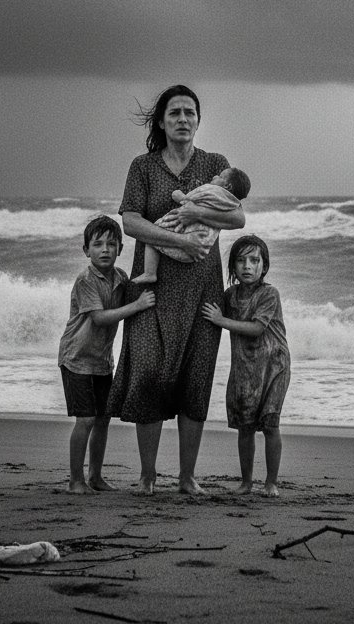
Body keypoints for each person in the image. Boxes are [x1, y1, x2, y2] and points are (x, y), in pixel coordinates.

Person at [107, 84, 245, 495]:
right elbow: (130, 221)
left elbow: (237, 218)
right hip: (152, 286)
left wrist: (195, 212)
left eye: (189, 113)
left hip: (203, 286)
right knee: (147, 372)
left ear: (198, 120)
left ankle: (186, 478)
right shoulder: (143, 167)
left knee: (195, 377)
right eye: (175, 113)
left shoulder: (216, 164)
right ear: (162, 122)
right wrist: (177, 241)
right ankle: (148, 476)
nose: (183, 119)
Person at [57, 215, 156, 494]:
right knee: (86, 419)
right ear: (86, 250)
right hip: (76, 358)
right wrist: (137, 305)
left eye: (111, 244)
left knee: (102, 420)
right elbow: (100, 318)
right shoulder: (85, 280)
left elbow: (135, 299)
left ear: (121, 249)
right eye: (97, 244)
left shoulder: (121, 278)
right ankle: (75, 480)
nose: (105, 249)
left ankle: (96, 477)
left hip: (102, 362)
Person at [201, 234, 290, 497]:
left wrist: (221, 321)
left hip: (274, 366)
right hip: (244, 369)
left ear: (264, 266)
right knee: (245, 426)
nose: (247, 266)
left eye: (254, 260)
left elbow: (256, 328)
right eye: (241, 261)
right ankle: (246, 482)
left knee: (270, 424)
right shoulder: (230, 295)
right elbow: (210, 308)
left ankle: (271, 482)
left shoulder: (269, 294)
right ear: (233, 267)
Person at [130, 166, 251, 284]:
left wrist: (185, 201)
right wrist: (184, 241)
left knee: (152, 239)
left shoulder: (213, 187)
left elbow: (239, 220)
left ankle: (150, 272)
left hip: (198, 269)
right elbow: (130, 223)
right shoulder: (231, 201)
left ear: (227, 186)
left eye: (219, 176)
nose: (215, 176)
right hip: (201, 249)